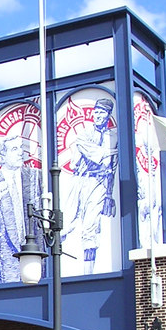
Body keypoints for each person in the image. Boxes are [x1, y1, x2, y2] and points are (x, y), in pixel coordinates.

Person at [62, 97, 118, 274]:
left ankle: (88, 274)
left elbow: (112, 167)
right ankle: (53, 266)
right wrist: (109, 152)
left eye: (102, 112)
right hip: (79, 180)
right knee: (66, 222)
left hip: (99, 183)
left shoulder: (113, 137)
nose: (98, 115)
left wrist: (109, 195)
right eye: (96, 111)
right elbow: (96, 155)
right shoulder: (84, 133)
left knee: (91, 227)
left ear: (108, 115)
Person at [0, 132, 42, 282]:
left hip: (35, 255)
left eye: (20, 148)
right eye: (14, 149)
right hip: (8, 257)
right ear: (2, 157)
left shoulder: (34, 176)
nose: (20, 153)